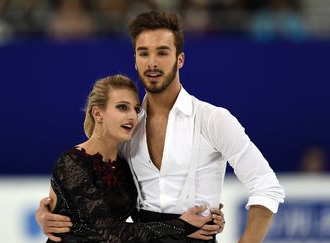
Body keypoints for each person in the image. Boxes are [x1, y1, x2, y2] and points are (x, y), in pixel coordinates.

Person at [37, 11, 285, 243]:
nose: (152, 62)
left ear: (180, 60)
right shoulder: (127, 127)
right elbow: (81, 166)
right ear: (135, 60)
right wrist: (46, 210)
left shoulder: (213, 119)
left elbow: (266, 185)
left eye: (162, 52)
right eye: (144, 53)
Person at [44, 74, 225, 243]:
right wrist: (181, 226)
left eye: (136, 109)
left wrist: (209, 215)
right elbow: (108, 231)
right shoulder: (72, 162)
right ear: (98, 113)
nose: (132, 115)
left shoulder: (124, 163)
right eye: (122, 107)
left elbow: (144, 214)